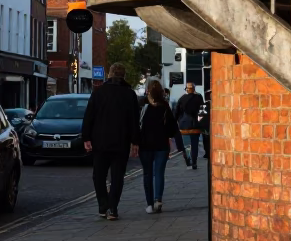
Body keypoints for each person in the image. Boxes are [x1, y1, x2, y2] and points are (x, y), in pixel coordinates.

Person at [81, 62, 139, 220]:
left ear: (110, 74)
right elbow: (134, 120)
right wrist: (135, 142)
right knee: (117, 176)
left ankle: (102, 205)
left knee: (98, 175)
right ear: (123, 75)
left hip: (100, 142)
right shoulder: (130, 94)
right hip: (121, 142)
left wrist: (86, 137)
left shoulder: (99, 93)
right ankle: (113, 208)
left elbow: (89, 116)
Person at [138, 78, 186, 213]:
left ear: (147, 90)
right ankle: (158, 200)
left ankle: (149, 204)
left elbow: (136, 125)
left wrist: (134, 142)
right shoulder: (164, 106)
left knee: (147, 174)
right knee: (159, 173)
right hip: (162, 145)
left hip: (145, 145)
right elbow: (172, 129)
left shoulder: (142, 104)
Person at [175, 82, 205, 169]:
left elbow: (177, 112)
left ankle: (188, 160)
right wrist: (201, 121)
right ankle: (194, 162)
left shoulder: (181, 99)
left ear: (186, 89)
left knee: (187, 145)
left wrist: (178, 121)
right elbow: (202, 111)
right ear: (194, 89)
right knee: (194, 144)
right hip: (195, 125)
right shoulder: (199, 97)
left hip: (184, 126)